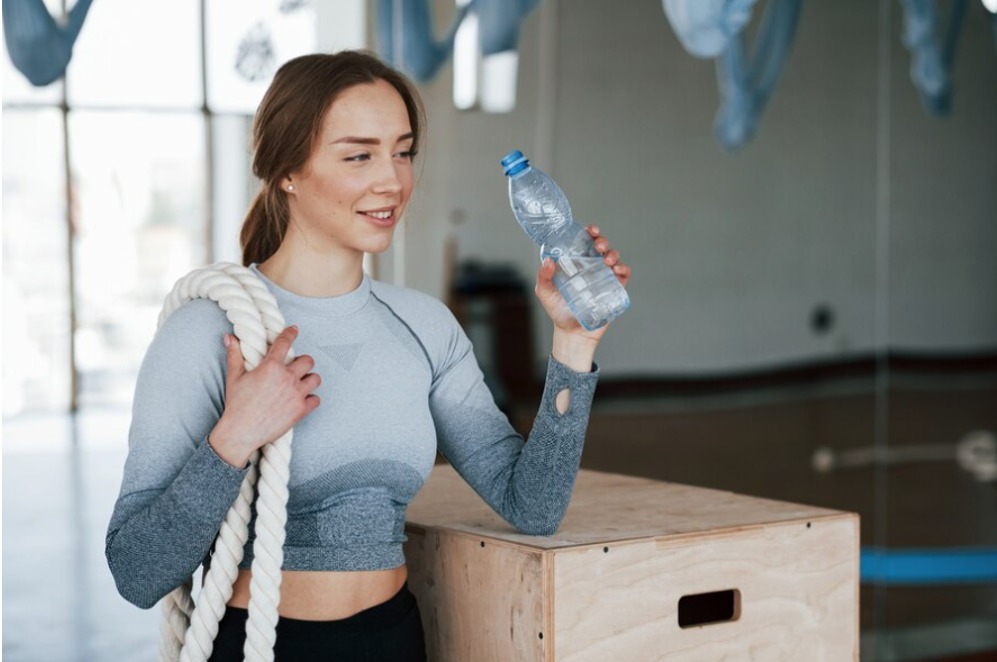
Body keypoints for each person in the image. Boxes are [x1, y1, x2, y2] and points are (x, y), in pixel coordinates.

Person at [105, 49, 631, 661]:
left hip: (395, 638)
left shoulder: (424, 326)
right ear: (287, 172)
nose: (392, 181)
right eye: (359, 155)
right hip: (264, 646)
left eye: (402, 152)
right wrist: (234, 439)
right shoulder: (210, 330)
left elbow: (532, 505)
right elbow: (136, 571)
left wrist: (572, 342)